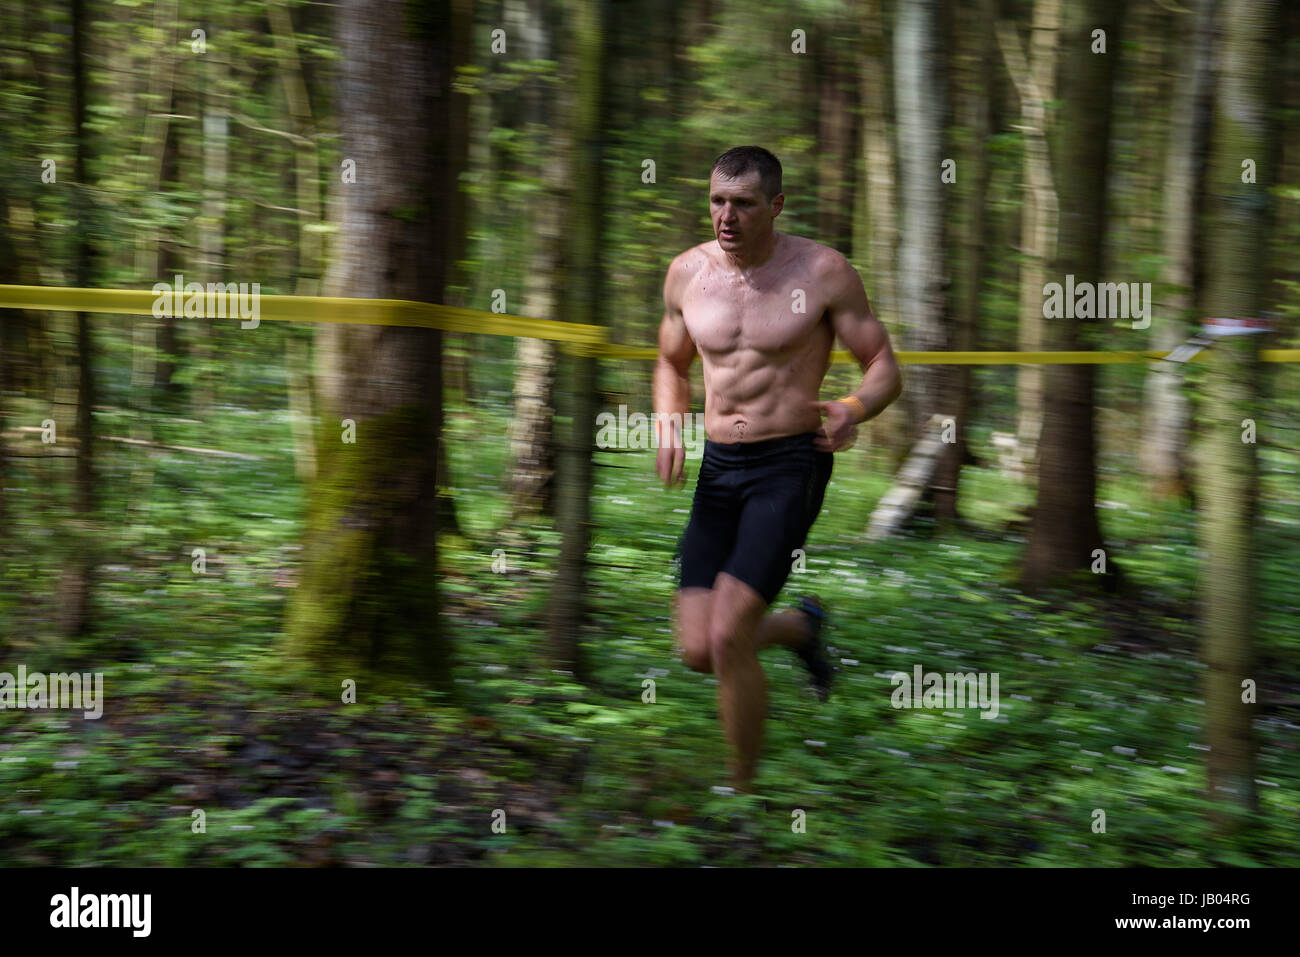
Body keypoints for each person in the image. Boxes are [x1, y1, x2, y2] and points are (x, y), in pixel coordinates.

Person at [653, 145, 902, 791]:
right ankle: (799, 628)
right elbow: (670, 363)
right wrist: (668, 419)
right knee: (698, 649)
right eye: (716, 200)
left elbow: (883, 365)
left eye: (743, 203)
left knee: (731, 633)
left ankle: (740, 793)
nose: (725, 216)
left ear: (777, 205)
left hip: (789, 464)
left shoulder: (821, 272)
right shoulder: (685, 273)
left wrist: (854, 407)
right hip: (718, 467)